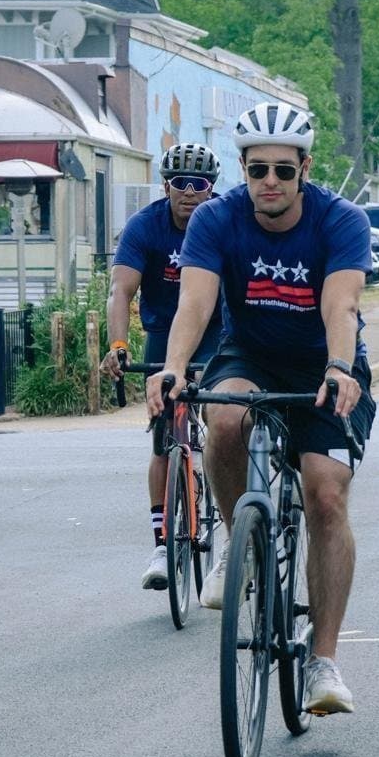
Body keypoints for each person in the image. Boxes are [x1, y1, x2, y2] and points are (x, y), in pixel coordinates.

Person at [145, 101, 376, 715]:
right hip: (248, 352)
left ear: (305, 168)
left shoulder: (340, 220)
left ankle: (323, 661)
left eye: (283, 170)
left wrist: (339, 367)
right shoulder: (216, 220)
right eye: (256, 171)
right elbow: (194, 305)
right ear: (242, 171)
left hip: (324, 359)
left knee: (327, 493)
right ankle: (236, 539)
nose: (269, 183)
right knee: (222, 418)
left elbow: (341, 306)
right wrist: (171, 369)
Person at [100, 142, 225, 591]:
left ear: (213, 188)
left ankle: (230, 525)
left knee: (223, 422)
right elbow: (120, 291)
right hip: (161, 332)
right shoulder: (145, 226)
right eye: (180, 184)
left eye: (201, 184)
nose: (190, 193)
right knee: (162, 440)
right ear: (165, 186)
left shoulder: (223, 222)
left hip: (216, 333)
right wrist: (117, 344)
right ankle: (161, 543)